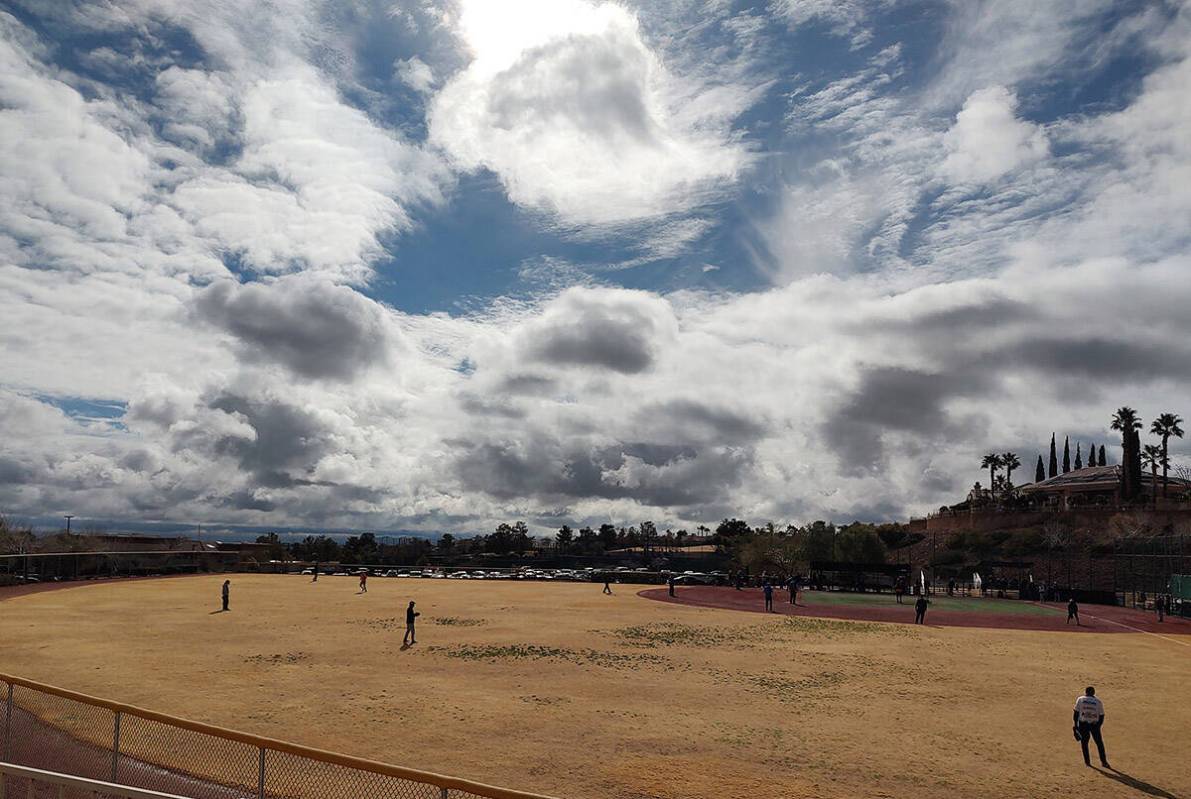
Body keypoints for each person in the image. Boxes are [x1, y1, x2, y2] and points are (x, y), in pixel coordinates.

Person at [1073, 686, 1109, 768]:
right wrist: (1098, 726)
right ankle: (1104, 762)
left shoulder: (1080, 699)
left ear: (1085, 692)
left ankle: (1087, 762)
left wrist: (1075, 724)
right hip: (1094, 724)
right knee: (1099, 743)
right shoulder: (1098, 702)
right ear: (1094, 693)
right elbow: (1101, 716)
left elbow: (1076, 713)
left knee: (1084, 743)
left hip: (1083, 724)